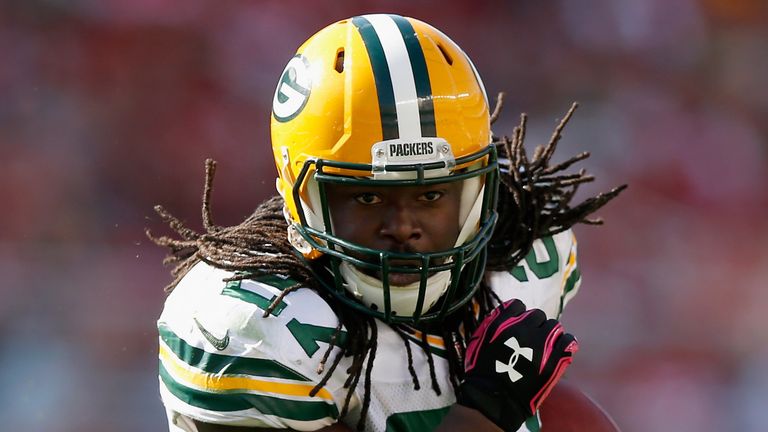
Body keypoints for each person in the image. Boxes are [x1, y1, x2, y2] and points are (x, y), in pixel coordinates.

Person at [150, 14, 625, 432]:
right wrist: (486, 412)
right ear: (300, 193)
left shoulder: (522, 260)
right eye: (369, 196)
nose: (402, 226)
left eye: (431, 194)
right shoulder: (255, 323)